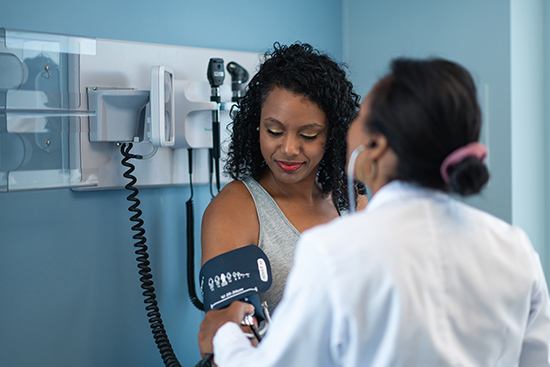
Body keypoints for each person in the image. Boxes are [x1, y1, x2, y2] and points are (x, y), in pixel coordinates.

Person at [197, 57, 550, 366]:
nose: (290, 147)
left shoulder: (334, 251)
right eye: (274, 130)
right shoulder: (515, 248)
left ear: (375, 146)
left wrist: (226, 336)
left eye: (358, 119)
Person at [200, 42, 364, 316]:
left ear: (331, 136)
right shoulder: (235, 209)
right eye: (274, 131)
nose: (288, 149)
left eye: (309, 135)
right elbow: (225, 330)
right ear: (256, 126)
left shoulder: (350, 200)